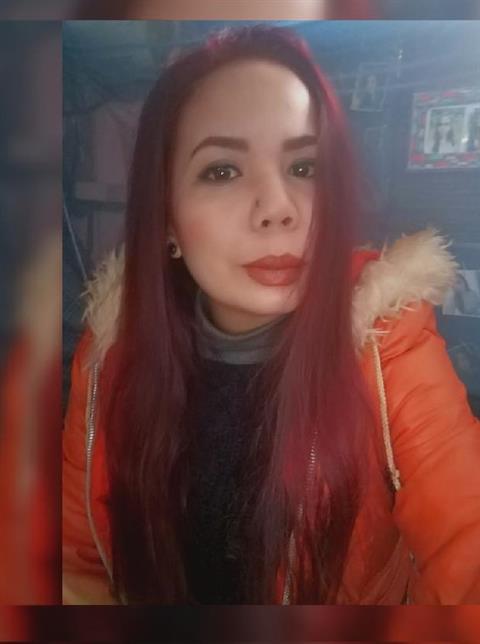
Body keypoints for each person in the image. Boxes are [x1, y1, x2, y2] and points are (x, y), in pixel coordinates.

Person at [63, 24, 480, 605]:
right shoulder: (112, 351)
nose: (279, 209)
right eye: (222, 171)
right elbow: (75, 561)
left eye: (304, 167)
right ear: (166, 219)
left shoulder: (388, 342)